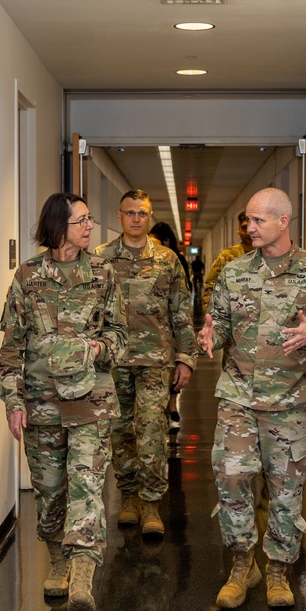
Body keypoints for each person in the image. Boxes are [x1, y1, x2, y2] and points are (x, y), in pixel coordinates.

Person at [197, 188, 306, 610]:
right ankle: (242, 564)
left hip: (290, 399)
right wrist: (211, 335)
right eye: (247, 220)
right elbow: (221, 323)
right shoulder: (234, 272)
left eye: (258, 220)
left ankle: (279, 568)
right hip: (239, 395)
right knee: (232, 480)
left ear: (284, 221)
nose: (250, 228)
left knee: (285, 489)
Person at [0, 192, 128, 611]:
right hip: (42, 401)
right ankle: (58, 558)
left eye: (91, 220)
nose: (91, 227)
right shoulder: (28, 276)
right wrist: (13, 401)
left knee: (87, 485)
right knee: (50, 489)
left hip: (91, 399)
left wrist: (97, 346)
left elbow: (120, 338)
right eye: (83, 221)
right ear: (59, 226)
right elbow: (11, 347)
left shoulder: (105, 273)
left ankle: (82, 577)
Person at [95, 190, 197, 538]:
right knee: (120, 432)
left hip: (156, 360)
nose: (136, 218)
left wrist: (186, 358)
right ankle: (128, 497)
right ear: (119, 216)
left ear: (149, 217)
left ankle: (152, 503)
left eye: (142, 213)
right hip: (113, 361)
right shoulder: (100, 257)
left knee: (152, 429)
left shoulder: (167, 259)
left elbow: (181, 312)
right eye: (130, 212)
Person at [147, 220, 190, 433]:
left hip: (163, 330)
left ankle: (170, 408)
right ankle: (171, 407)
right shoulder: (176, 258)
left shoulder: (174, 259)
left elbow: (182, 297)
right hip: (165, 331)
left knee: (170, 372)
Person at [200, 211, 253, 314]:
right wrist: (211, 317)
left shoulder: (268, 255)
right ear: (238, 230)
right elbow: (211, 288)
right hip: (233, 319)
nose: (247, 232)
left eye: (250, 227)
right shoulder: (227, 256)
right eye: (244, 228)